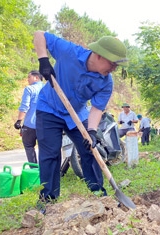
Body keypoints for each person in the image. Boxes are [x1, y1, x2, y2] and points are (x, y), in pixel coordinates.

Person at [33, 30, 128, 212]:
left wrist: (91, 131)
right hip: (49, 109)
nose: (114, 69)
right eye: (113, 63)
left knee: (90, 149)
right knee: (51, 154)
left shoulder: (106, 82)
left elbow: (97, 108)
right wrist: (43, 59)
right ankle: (48, 199)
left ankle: (98, 192)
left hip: (76, 114)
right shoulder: (69, 52)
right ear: (99, 55)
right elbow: (40, 34)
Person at [14, 70, 44, 164]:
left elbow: (24, 106)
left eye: (29, 77)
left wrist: (19, 121)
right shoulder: (48, 88)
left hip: (30, 125)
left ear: (36, 77)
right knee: (44, 148)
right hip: (45, 125)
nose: (28, 80)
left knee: (28, 146)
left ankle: (34, 169)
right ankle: (45, 170)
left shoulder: (29, 89)